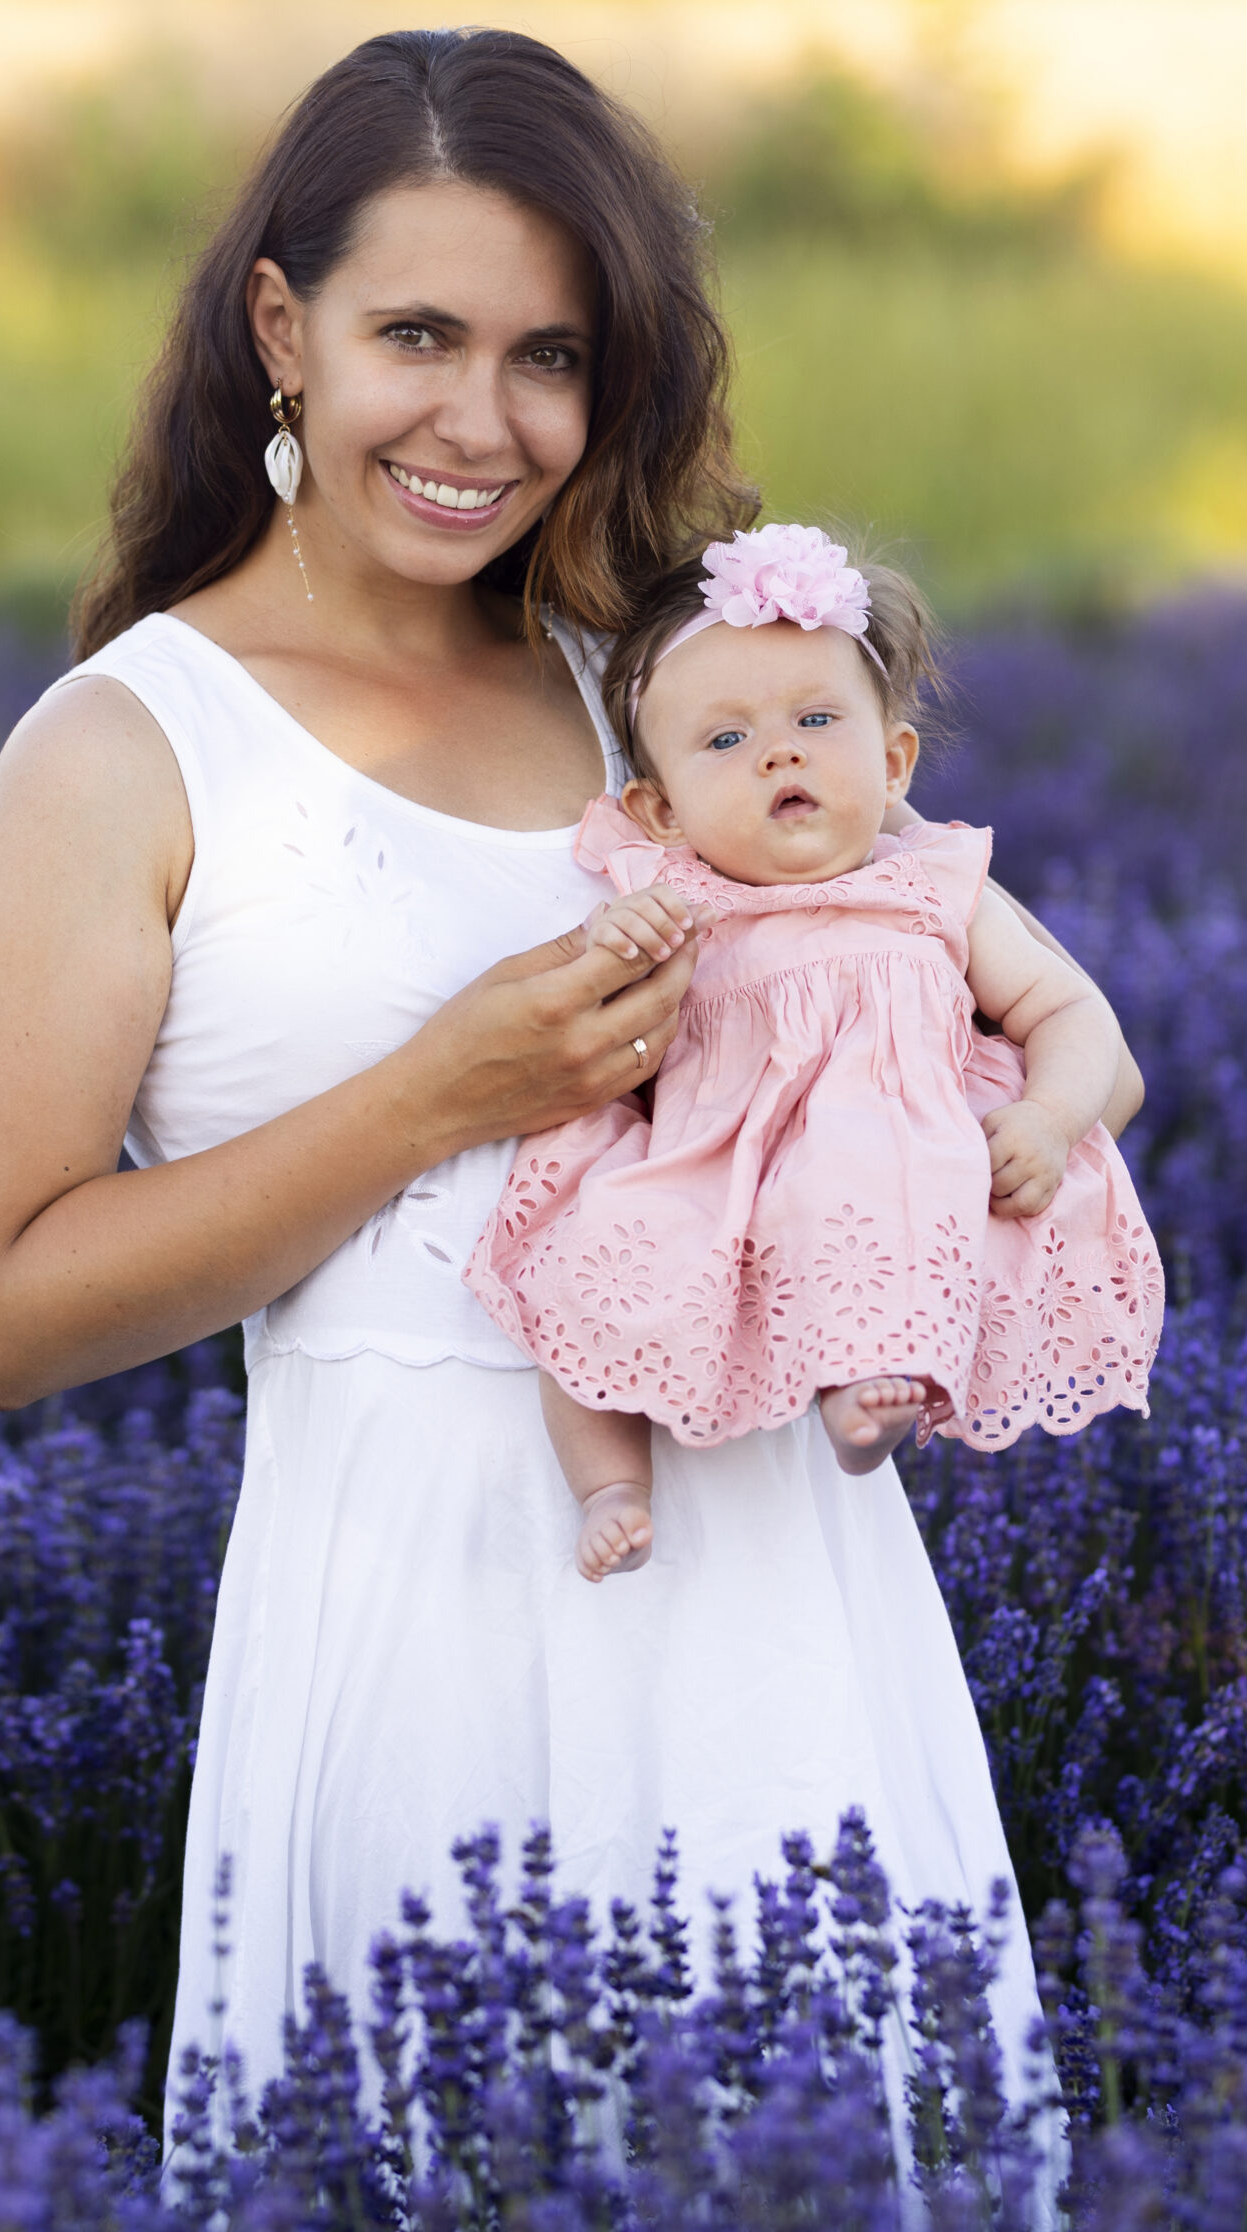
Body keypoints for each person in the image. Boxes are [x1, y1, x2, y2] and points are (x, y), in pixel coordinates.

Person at [0, 30, 1145, 2146]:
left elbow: (919, 982)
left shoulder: (660, 693)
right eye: (415, 334)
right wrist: (433, 1095)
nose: (479, 422)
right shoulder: (125, 748)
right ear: (281, 328)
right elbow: (2, 1311)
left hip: (780, 1584)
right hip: (423, 1608)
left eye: (549, 356)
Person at [468, 525, 1163, 1579]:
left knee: (873, 1196)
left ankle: (865, 1385)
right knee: (593, 1262)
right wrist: (620, 937)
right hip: (710, 1163)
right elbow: (603, 1016)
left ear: (893, 763)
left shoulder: (933, 887)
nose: (779, 753)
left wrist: (1051, 1118)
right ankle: (610, 1481)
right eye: (725, 740)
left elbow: (1069, 1010)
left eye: (816, 720)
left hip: (879, 1153)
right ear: (660, 811)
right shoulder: (677, 896)